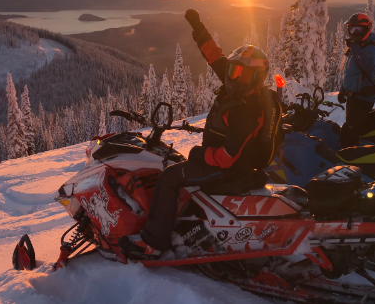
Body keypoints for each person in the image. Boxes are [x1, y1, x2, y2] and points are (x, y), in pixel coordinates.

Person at [119, 16, 280, 260]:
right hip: (233, 163)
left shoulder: (246, 109)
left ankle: (153, 242)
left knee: (169, 177)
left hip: (231, 169)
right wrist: (198, 28)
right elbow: (215, 56)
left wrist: (198, 154)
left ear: (257, 78)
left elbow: (226, 158)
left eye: (244, 75)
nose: (235, 77)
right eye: (233, 70)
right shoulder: (236, 84)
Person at [338, 13, 375, 148]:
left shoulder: (371, 48)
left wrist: (354, 47)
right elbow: (352, 73)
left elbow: (367, 65)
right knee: (352, 127)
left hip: (364, 98)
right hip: (354, 97)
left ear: (366, 29)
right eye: (351, 29)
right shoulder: (359, 47)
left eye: (358, 30)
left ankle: (352, 159)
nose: (354, 33)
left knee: (350, 130)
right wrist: (343, 90)